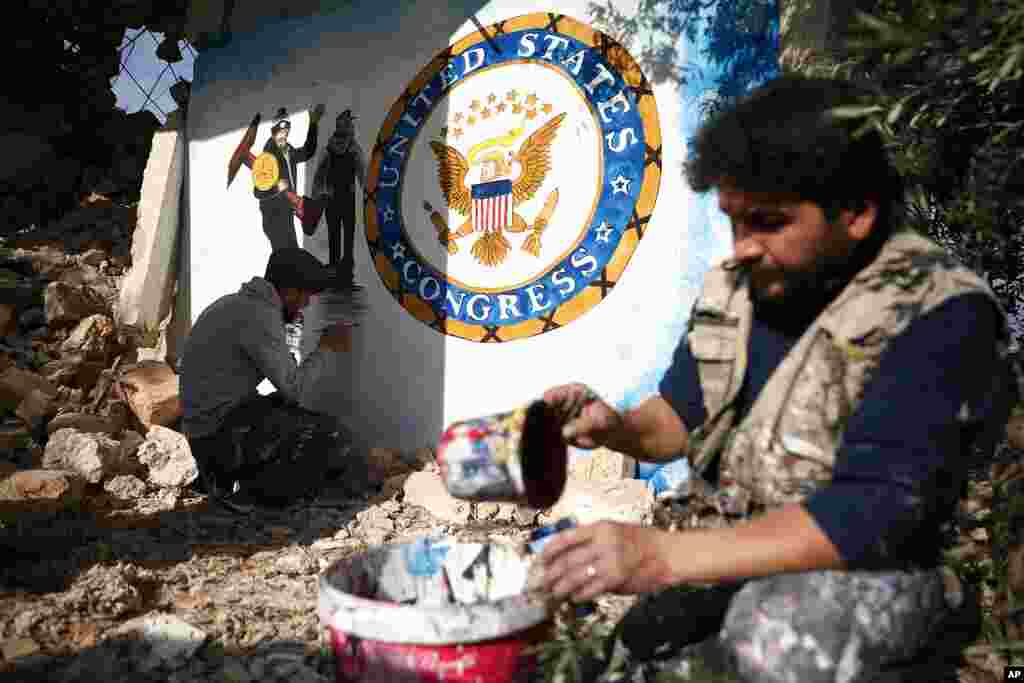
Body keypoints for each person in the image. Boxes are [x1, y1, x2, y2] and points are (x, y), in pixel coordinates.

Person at [537, 75, 1021, 682]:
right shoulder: (742, 289)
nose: (742, 248)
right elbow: (675, 423)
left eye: (768, 222)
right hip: (736, 549)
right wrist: (615, 427)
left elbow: (868, 516)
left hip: (873, 573)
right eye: (735, 223)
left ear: (857, 212)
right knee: (618, 662)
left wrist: (661, 556)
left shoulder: (940, 313)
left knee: (775, 637)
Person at [179, 248, 371, 507]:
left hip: (208, 431)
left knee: (285, 408)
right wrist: (326, 347)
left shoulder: (240, 305)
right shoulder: (259, 315)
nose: (307, 305)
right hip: (216, 437)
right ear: (290, 291)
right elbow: (295, 388)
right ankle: (252, 496)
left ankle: (220, 479)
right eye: (306, 297)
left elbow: (283, 384)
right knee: (328, 433)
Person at [254, 106, 325, 250]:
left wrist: (314, 123)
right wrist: (278, 187)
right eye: (280, 129)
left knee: (291, 253)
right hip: (274, 215)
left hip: (287, 211)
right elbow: (258, 192)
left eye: (287, 129)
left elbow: (307, 152)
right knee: (287, 253)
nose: (284, 132)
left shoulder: (288, 150)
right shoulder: (268, 154)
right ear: (273, 130)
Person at [312, 109, 367, 286]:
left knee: (334, 233)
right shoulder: (354, 148)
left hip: (332, 198)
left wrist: (318, 194)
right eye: (350, 124)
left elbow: (319, 176)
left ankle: (336, 267)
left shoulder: (329, 148)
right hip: (347, 197)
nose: (352, 127)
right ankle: (346, 269)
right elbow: (363, 175)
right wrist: (368, 194)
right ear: (345, 126)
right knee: (347, 233)